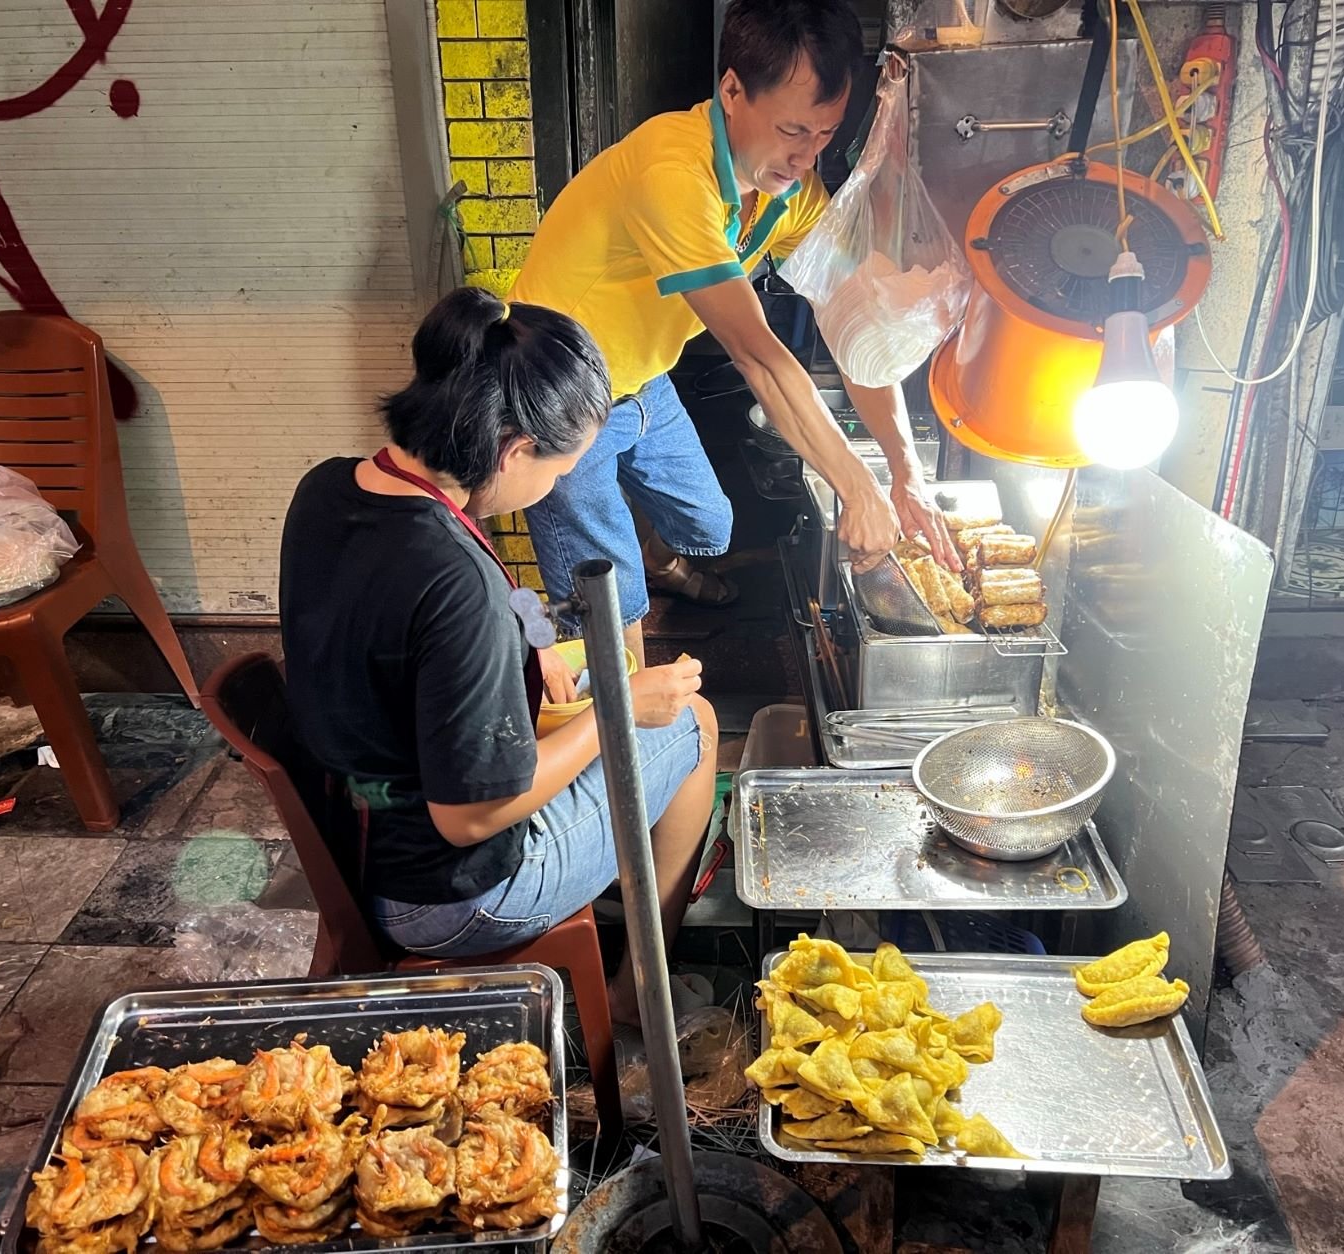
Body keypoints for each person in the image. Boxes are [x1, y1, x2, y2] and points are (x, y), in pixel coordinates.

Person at [279, 287, 718, 1025]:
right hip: (450, 895)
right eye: (559, 471)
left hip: (363, 829)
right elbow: (470, 817)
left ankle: (611, 874)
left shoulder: (329, 488)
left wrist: (534, 638)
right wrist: (619, 709)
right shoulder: (454, 584)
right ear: (515, 449)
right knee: (692, 726)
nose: (553, 488)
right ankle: (637, 992)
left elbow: (443, 606)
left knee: (621, 710)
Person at [511, 0, 960, 664]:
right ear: (731, 91)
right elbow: (757, 353)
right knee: (612, 615)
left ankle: (653, 555)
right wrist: (857, 487)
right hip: (555, 392)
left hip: (639, 375)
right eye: (791, 130)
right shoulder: (673, 173)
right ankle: (620, 716)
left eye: (825, 137)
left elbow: (854, 330)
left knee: (710, 526)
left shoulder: (789, 195)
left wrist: (904, 468)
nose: (805, 158)